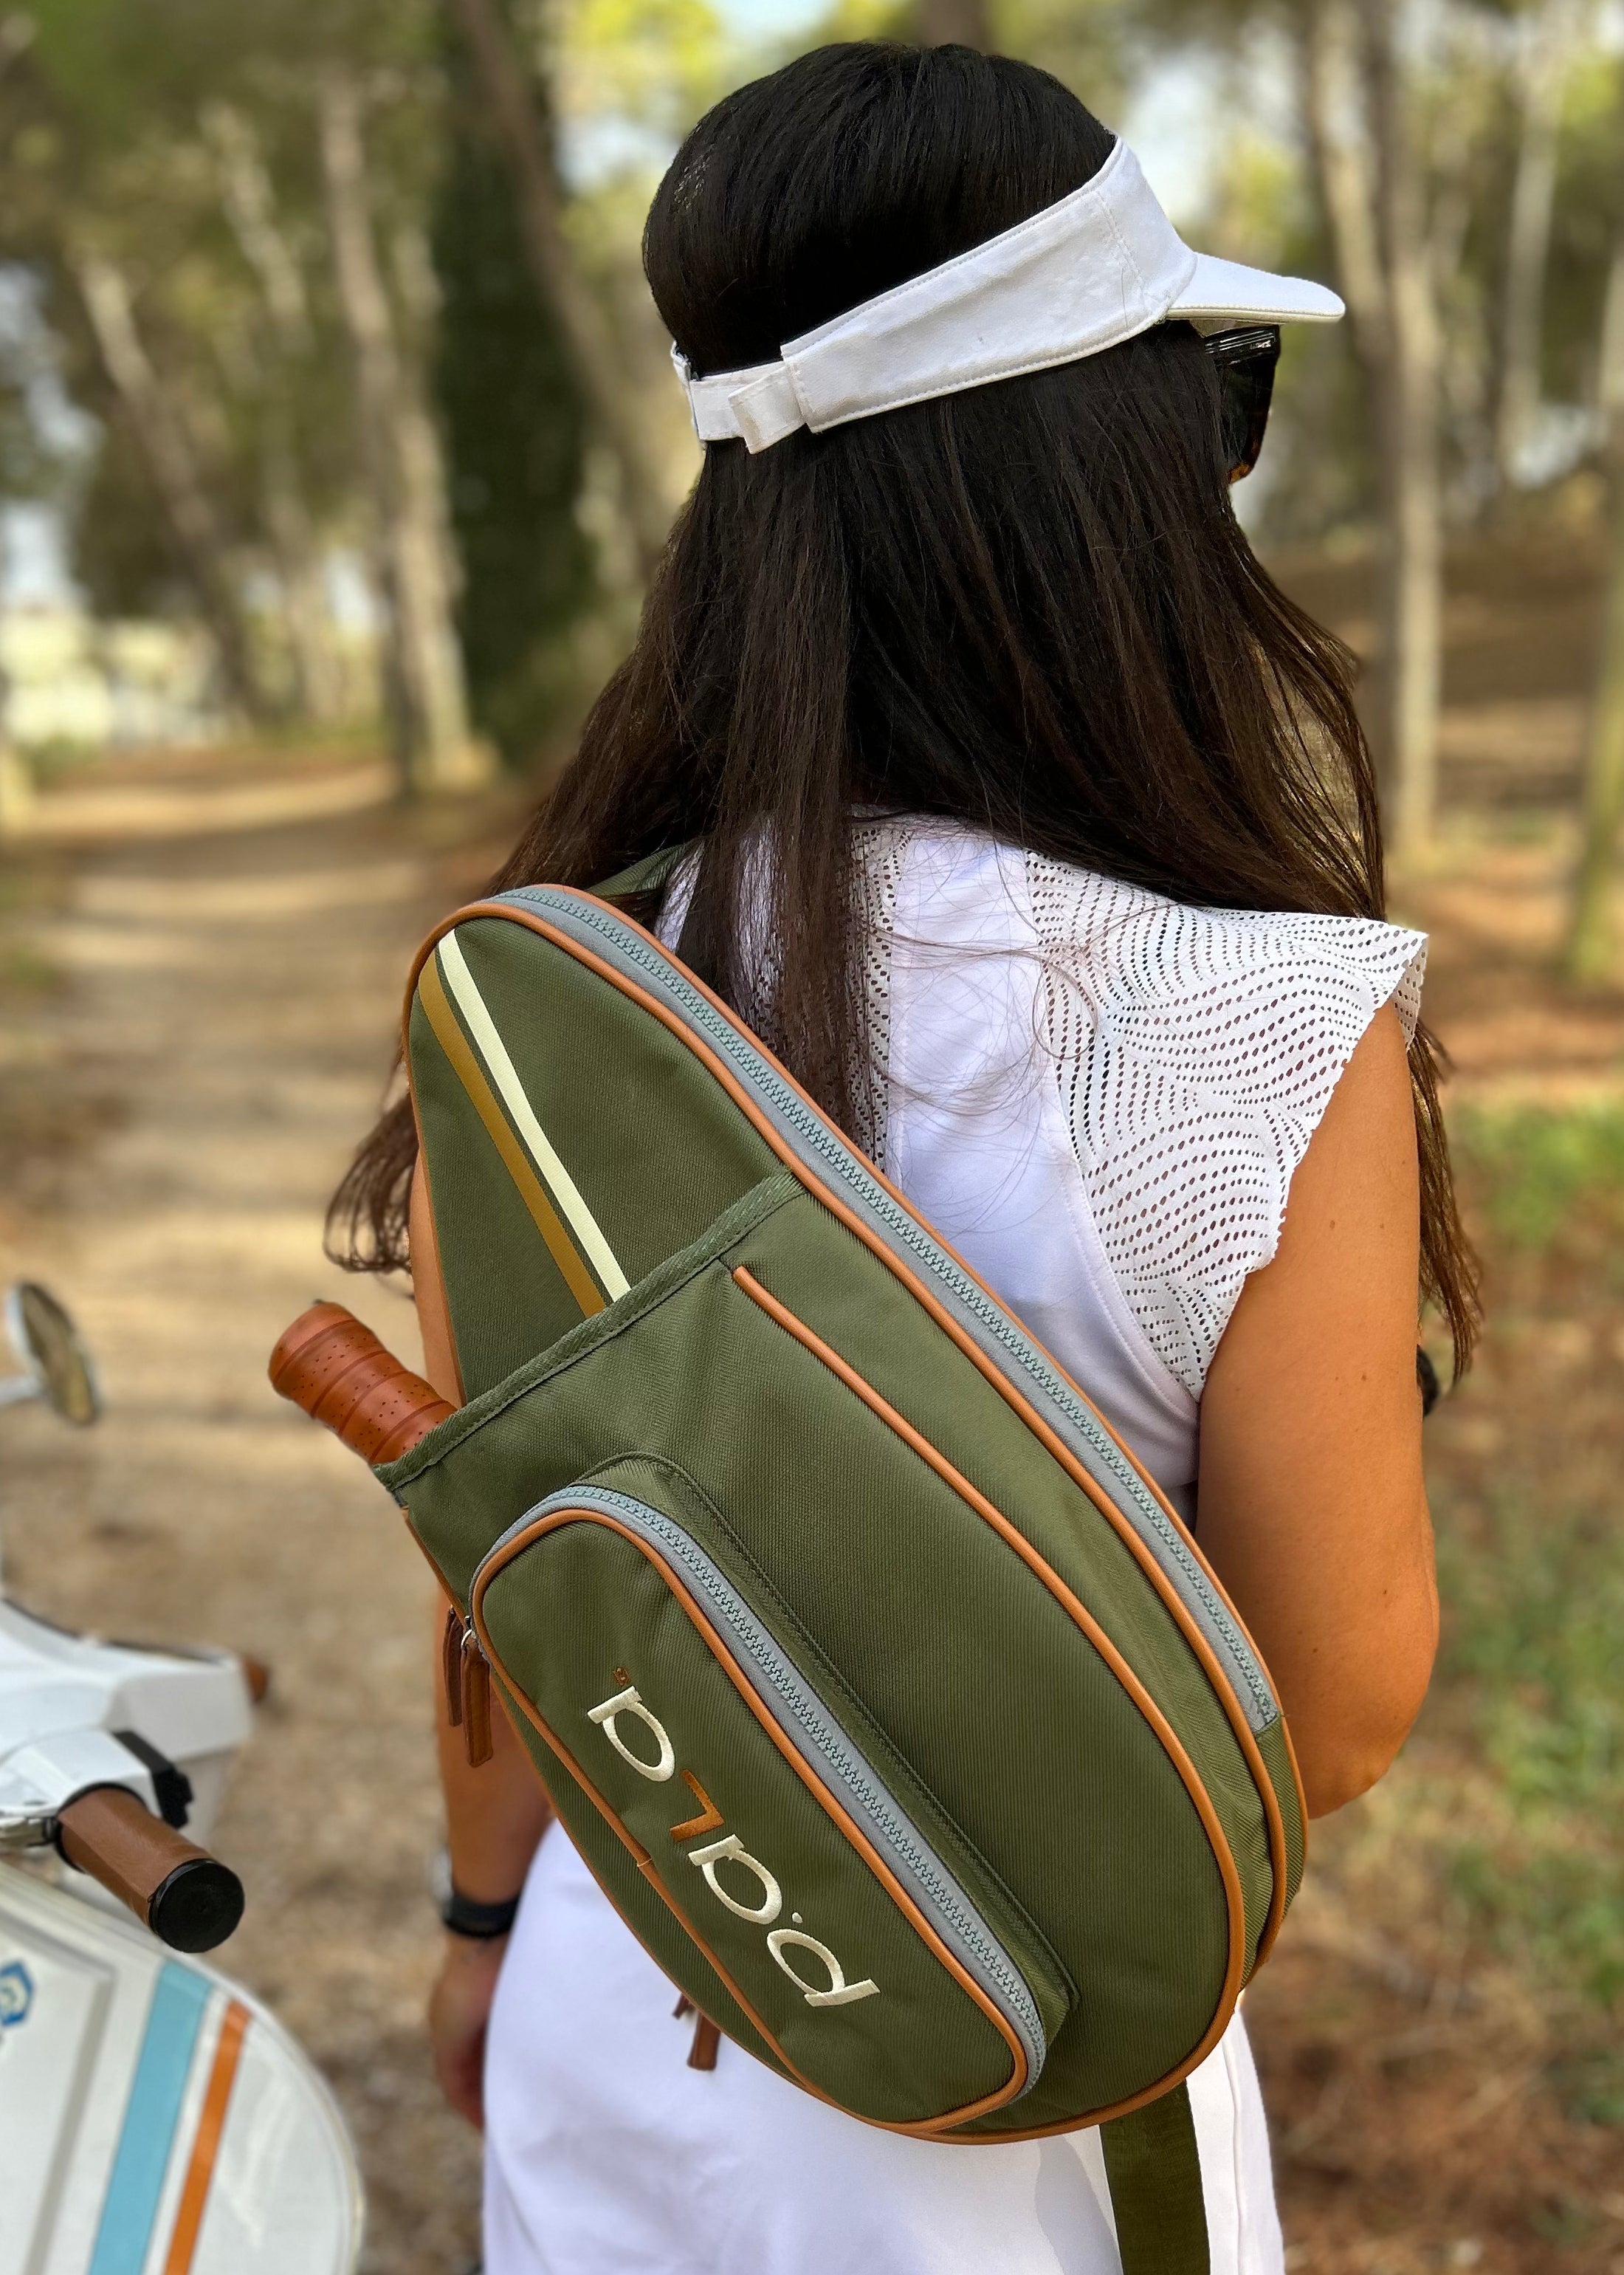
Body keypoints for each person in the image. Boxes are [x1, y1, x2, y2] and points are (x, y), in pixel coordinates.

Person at [331, 40, 1479, 2275]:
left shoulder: (573, 980)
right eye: (1212, 395)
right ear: (1110, 473)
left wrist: (482, 1920)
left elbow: (527, 1577)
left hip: (632, 1983)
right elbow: (1320, 1718)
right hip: (1017, 2073)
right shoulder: (1257, 1026)